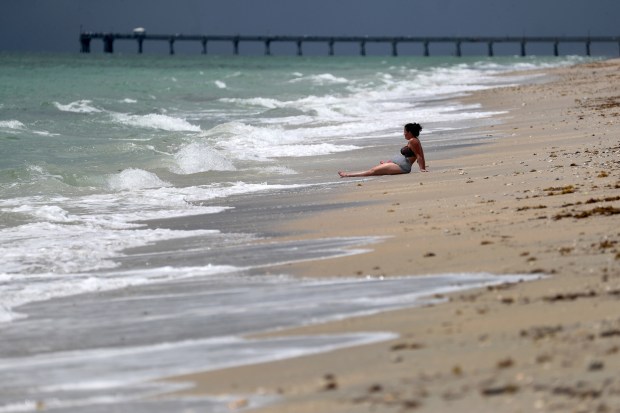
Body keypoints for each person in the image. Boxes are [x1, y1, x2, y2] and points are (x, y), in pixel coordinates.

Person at [338, 123, 427, 177]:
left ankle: (347, 175)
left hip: (403, 167)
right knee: (376, 172)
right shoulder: (415, 141)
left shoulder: (413, 141)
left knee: (372, 171)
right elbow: (419, 154)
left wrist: (422, 169)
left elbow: (419, 156)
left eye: (405, 132)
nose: (403, 134)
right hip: (399, 164)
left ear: (409, 132)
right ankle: (348, 174)